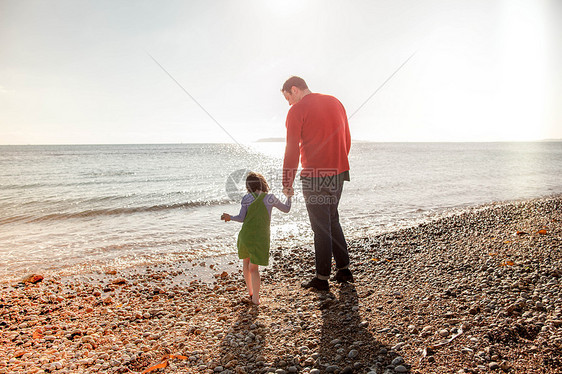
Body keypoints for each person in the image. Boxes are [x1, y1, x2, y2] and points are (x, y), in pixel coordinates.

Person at [281, 76, 353, 291]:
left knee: (320, 227)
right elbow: (346, 138)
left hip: (314, 175)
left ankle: (322, 279)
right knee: (332, 219)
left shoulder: (297, 110)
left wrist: (287, 181)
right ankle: (344, 270)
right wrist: (338, 163)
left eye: (288, 98)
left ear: (294, 89)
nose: (289, 104)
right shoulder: (335, 101)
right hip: (339, 171)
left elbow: (292, 148)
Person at [221, 172, 291, 305]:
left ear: (249, 186)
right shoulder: (270, 198)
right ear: (263, 184)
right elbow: (286, 209)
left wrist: (230, 217)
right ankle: (256, 299)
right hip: (261, 237)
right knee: (254, 268)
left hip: (246, 235)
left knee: (246, 264)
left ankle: (251, 293)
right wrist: (289, 197)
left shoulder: (246, 198)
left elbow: (241, 218)